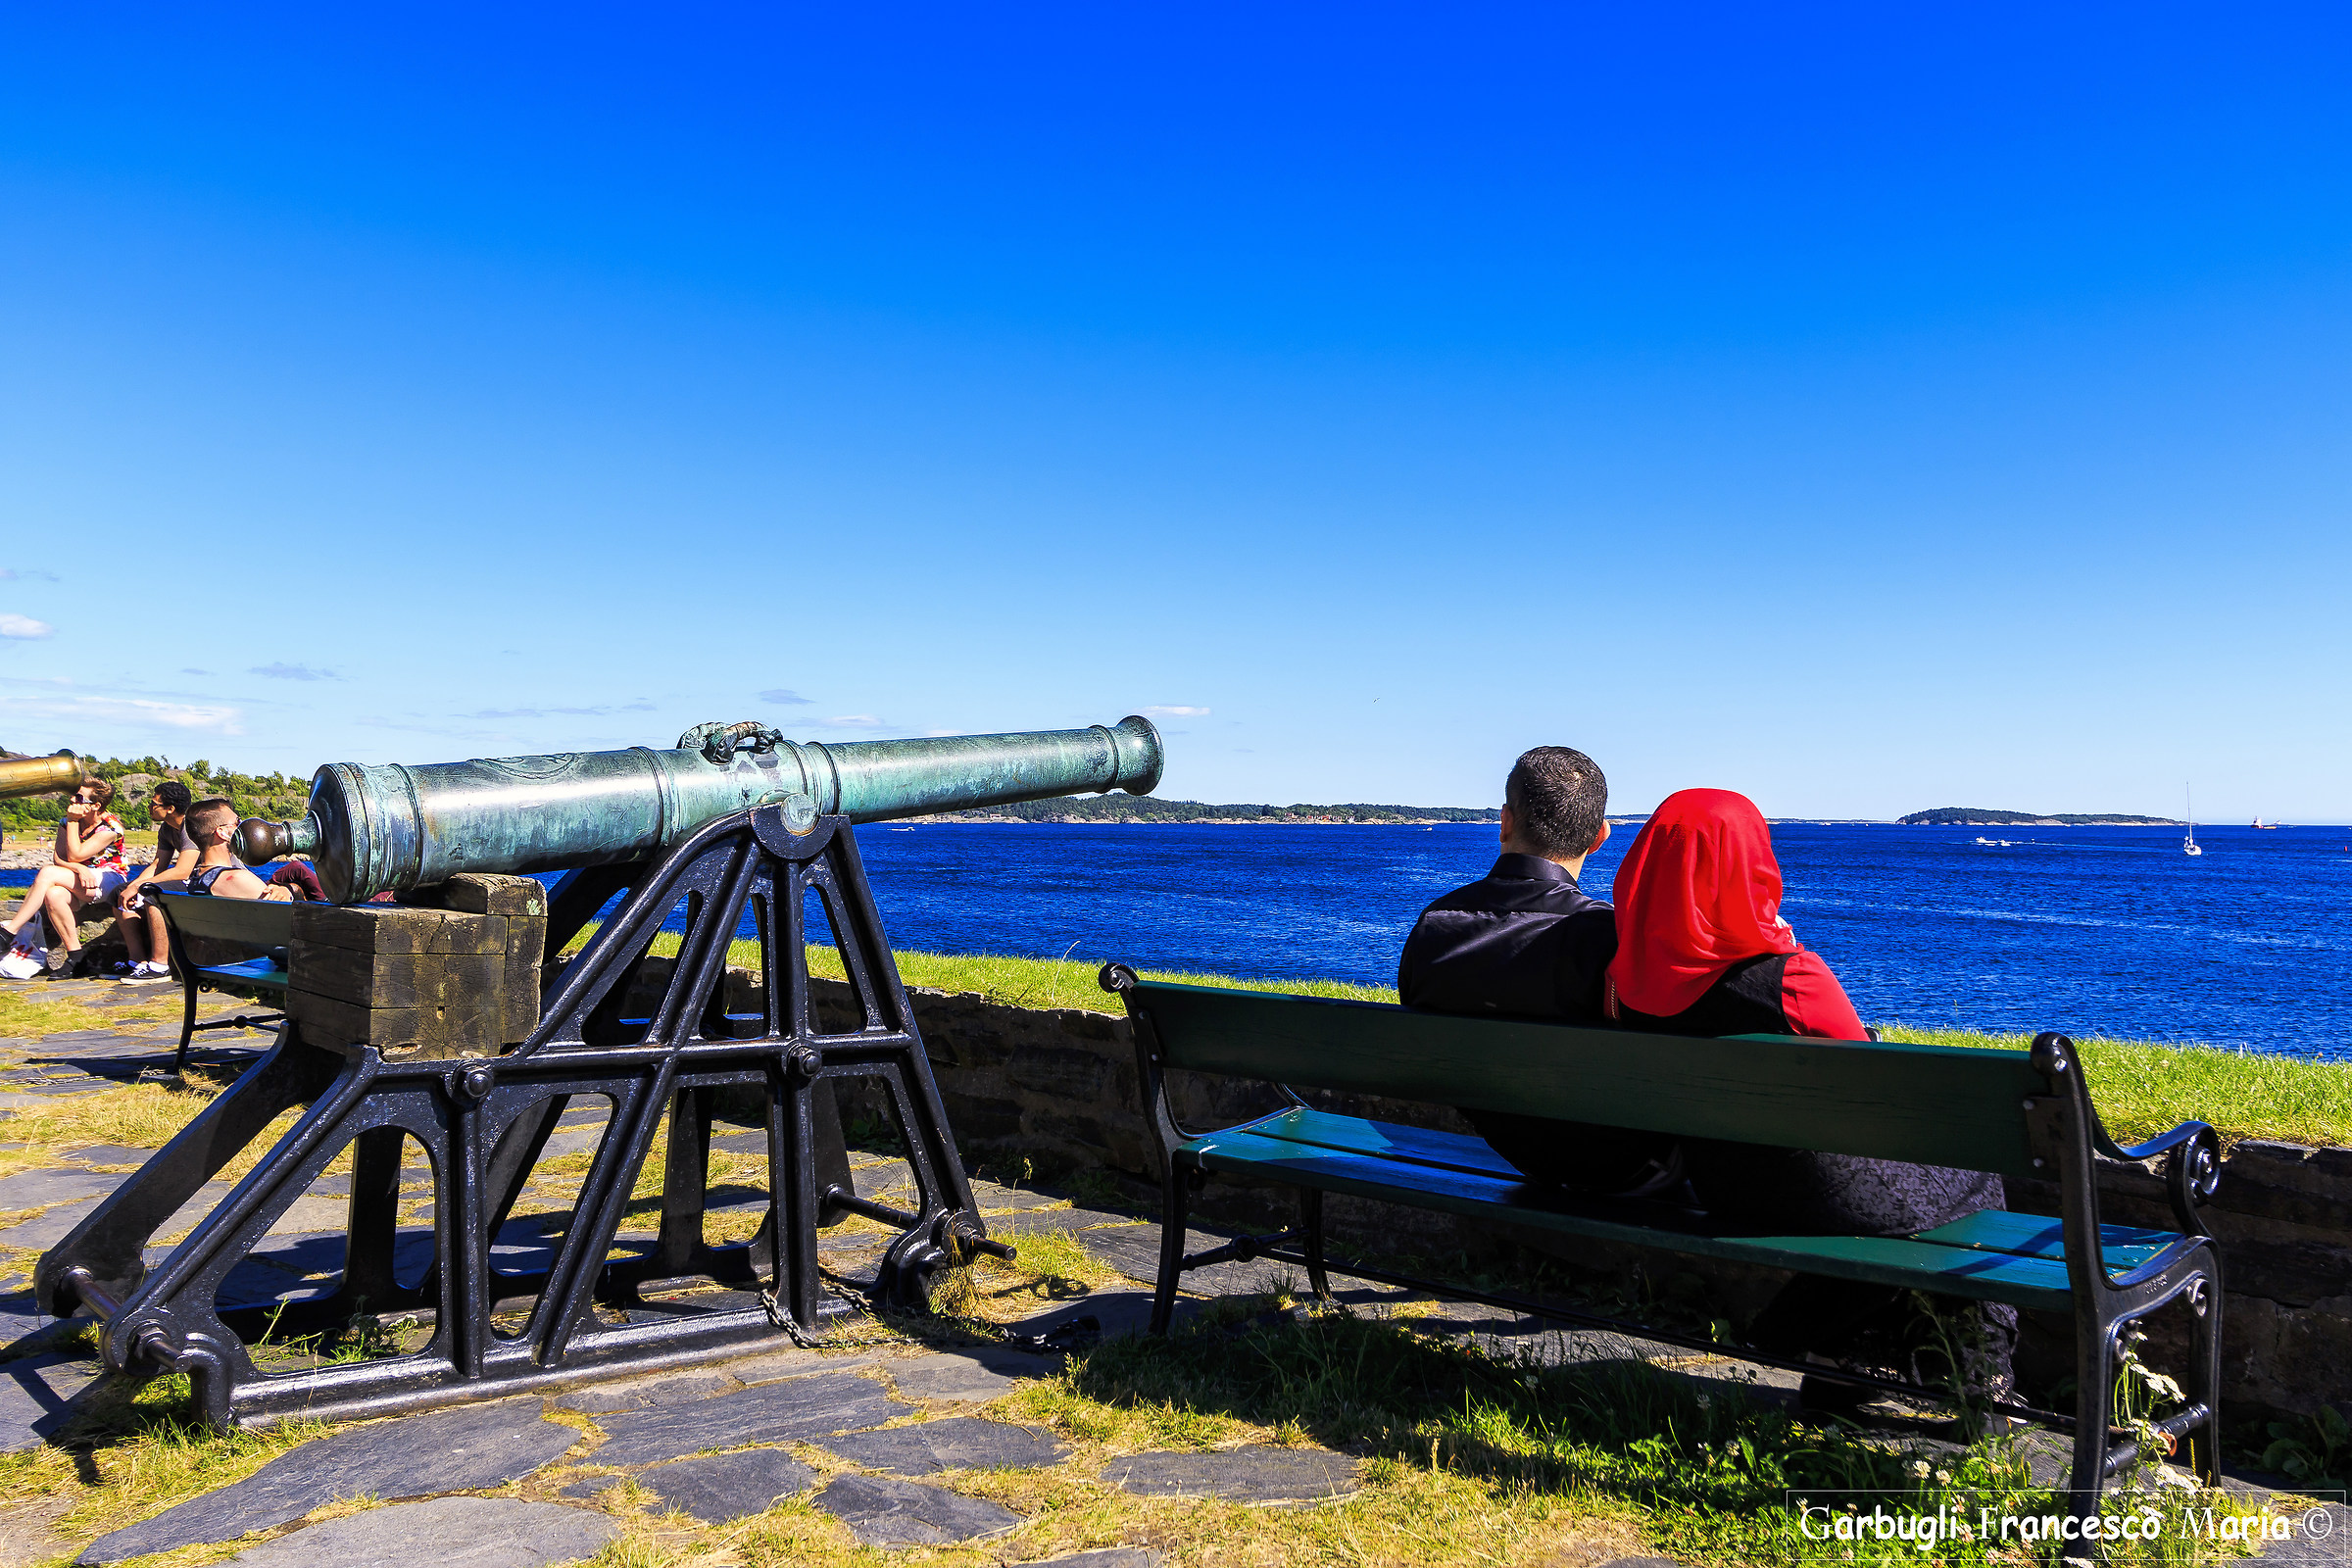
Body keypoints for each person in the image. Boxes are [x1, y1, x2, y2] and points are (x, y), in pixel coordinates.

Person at [1603, 787, 2015, 1412]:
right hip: (1814, 1187)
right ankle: (1978, 1383)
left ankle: (1837, 1362)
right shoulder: (1790, 981)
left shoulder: (1625, 983)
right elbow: (1869, 1082)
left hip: (1720, 1186)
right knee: (1975, 1177)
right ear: (1750, 866)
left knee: (1904, 1208)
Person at [1396, 746, 1680, 1195]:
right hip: (1620, 1168)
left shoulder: (1435, 925)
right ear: (1600, 836)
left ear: (1506, 821)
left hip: (1510, 1149)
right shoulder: (1609, 938)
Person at [1, 776, 131, 978]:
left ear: (95, 805)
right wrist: (79, 869)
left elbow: (75, 855)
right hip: (80, 877)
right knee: (53, 894)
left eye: (79, 798)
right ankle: (76, 957)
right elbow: (59, 858)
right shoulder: (67, 821)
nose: (72, 800)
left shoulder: (110, 828)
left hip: (110, 878)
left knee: (47, 873)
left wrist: (72, 822)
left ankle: (9, 933)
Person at [109, 781, 198, 982]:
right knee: (118, 893)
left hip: (203, 881)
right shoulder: (167, 829)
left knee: (155, 895)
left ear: (170, 809)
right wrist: (132, 886)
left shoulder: (191, 827)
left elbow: (183, 871)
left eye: (153, 804)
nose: (149, 807)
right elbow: (159, 864)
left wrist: (140, 886)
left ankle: (159, 967)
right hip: (187, 879)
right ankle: (137, 962)